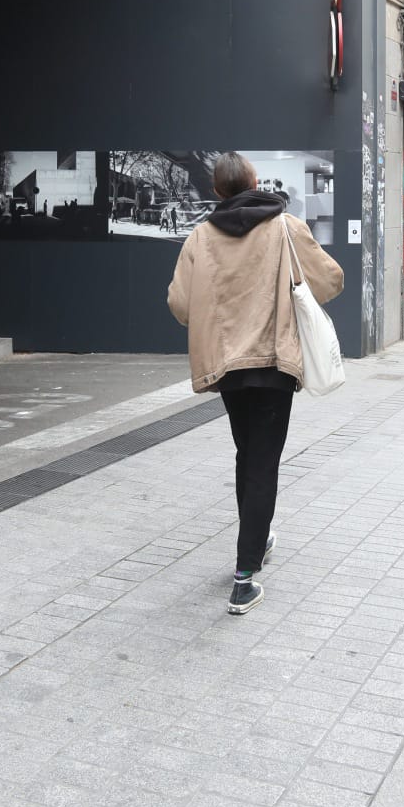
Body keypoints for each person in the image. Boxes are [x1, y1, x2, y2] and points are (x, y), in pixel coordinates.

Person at [167, 152, 343, 615]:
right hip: (274, 361)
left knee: (249, 454)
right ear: (253, 181)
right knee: (263, 461)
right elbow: (331, 281)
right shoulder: (284, 227)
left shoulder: (200, 238)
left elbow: (181, 305)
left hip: (227, 366)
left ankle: (258, 536)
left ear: (218, 192)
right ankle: (244, 579)